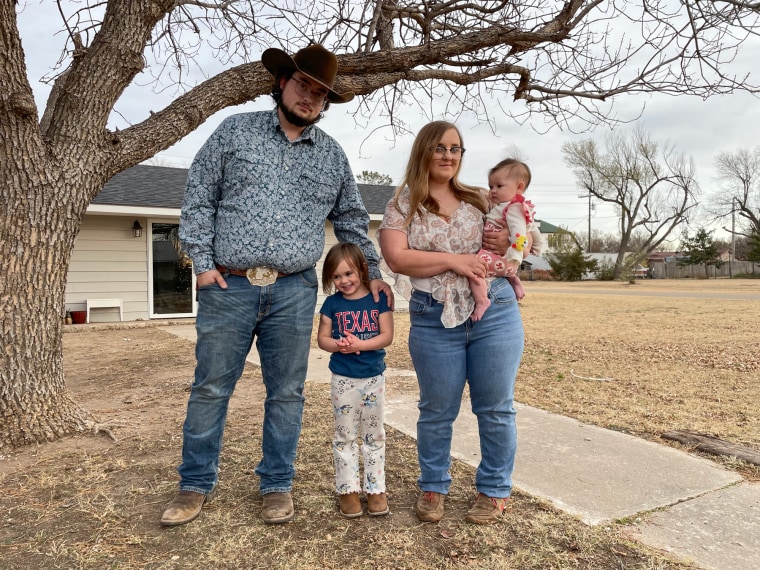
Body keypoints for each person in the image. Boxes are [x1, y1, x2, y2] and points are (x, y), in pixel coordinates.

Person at [161, 44, 393, 527]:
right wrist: (202, 265)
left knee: (286, 393)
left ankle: (276, 484)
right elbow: (199, 199)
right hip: (229, 286)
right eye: (303, 83)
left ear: (326, 102)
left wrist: (372, 276)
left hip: (294, 289)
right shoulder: (234, 132)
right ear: (282, 82)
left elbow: (351, 219)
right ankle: (194, 484)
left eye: (320, 92)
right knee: (210, 388)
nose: (310, 96)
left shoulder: (331, 156)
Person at [378, 120, 524, 525]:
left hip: (494, 308)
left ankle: (493, 490)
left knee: (495, 407)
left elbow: (520, 235)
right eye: (440, 147)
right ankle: (433, 485)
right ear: (424, 151)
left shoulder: (481, 198)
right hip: (432, 312)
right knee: (437, 408)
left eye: (455, 149)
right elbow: (397, 258)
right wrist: (454, 261)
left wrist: (506, 244)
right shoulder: (402, 205)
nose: (448, 155)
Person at [317, 243, 394, 518]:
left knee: (374, 435)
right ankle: (348, 489)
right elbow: (322, 339)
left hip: (373, 379)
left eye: (348, 273)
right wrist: (340, 346)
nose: (344, 281)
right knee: (345, 436)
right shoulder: (332, 303)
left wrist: (362, 343)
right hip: (343, 380)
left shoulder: (378, 300)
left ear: (362, 269)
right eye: (336, 277)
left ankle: (375, 488)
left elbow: (387, 335)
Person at [469, 158, 546, 319]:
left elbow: (519, 234)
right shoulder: (518, 207)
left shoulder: (512, 208)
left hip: (507, 259)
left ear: (519, 187)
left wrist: (516, 257)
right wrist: (537, 246)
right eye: (491, 186)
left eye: (499, 186)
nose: (493, 191)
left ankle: (482, 300)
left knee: (474, 270)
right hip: (504, 261)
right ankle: (513, 279)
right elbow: (532, 227)